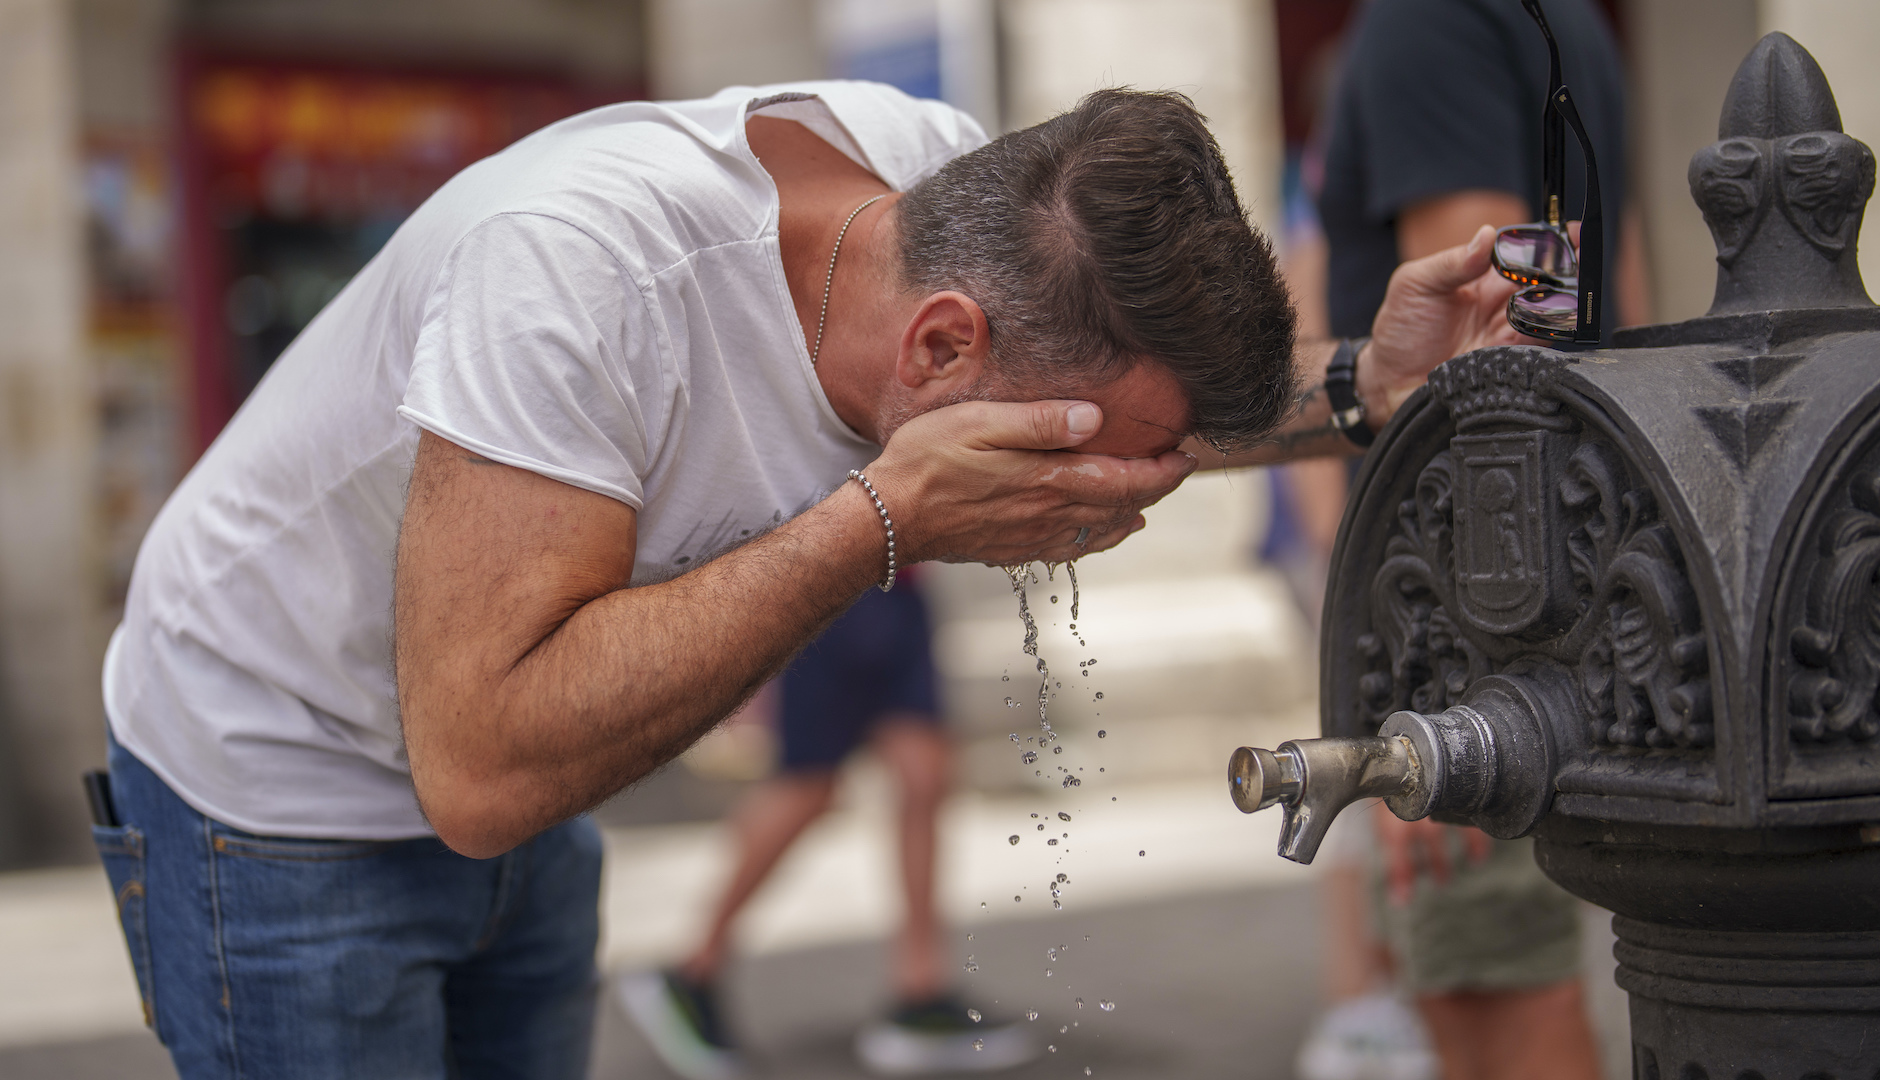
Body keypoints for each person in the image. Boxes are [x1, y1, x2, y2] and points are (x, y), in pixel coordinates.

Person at [92, 78, 1525, 1078]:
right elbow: (480, 766)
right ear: (943, 348)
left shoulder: (948, 198)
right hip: (272, 777)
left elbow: (1143, 409)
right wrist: (881, 522)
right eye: (1074, 454)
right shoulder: (576, 279)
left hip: (525, 779)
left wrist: (1363, 383)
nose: (1118, 491)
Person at [1301, 1, 1649, 1077]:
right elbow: (1616, 305)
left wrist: (1440, 681)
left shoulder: (1430, 19)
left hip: (1479, 613)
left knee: (1496, 998)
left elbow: (1485, 344)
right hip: (1558, 572)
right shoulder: (1561, 21)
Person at [623, 567, 1032, 1077]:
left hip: (901, 583)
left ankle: (921, 993)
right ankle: (692, 970)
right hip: (826, 586)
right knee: (809, 786)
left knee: (924, 774)